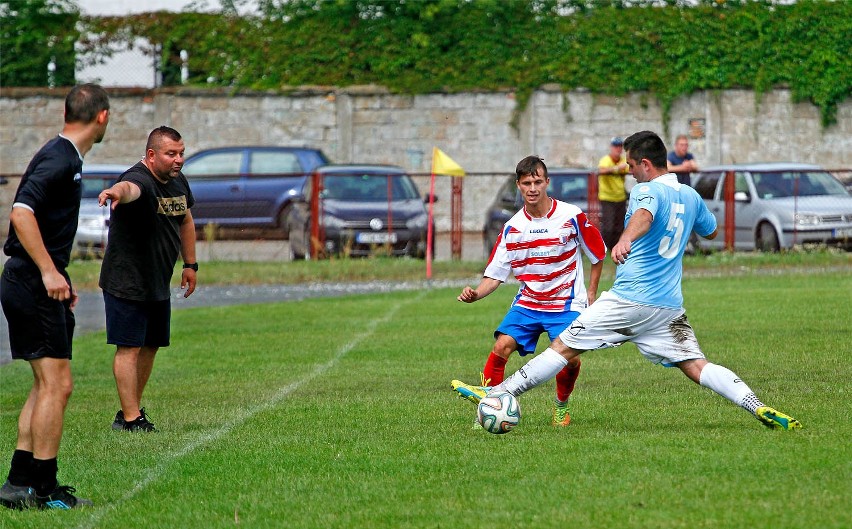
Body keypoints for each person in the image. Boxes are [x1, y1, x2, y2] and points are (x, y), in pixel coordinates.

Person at [459, 131, 801, 431]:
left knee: (563, 346)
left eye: (631, 165)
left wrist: (626, 239)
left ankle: (500, 393)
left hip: (629, 299)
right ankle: (755, 404)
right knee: (697, 365)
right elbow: (710, 229)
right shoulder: (691, 197)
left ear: (647, 165)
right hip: (667, 308)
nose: (628, 170)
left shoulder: (647, 191)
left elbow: (645, 212)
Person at [0, 84, 110, 510]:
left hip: (32, 280)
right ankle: (44, 491)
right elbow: (21, 213)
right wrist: (48, 271)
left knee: (46, 384)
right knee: (58, 385)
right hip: (30, 281)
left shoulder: (65, 156)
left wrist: (58, 273)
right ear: (101, 116)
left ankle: (17, 484)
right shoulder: (60, 157)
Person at [451, 156, 606, 427]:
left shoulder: (571, 216)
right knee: (501, 346)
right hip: (529, 303)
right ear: (518, 186)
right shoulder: (512, 228)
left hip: (566, 303)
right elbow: (494, 276)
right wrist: (476, 293)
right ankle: (487, 409)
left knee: (568, 359)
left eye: (537, 182)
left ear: (547, 182)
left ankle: (561, 406)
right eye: (526, 183)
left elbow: (598, 253)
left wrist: (591, 292)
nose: (532, 188)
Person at [98, 126, 198, 433]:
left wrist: (190, 264)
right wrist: (115, 192)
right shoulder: (140, 178)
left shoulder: (177, 181)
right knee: (128, 347)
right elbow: (129, 189)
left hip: (157, 279)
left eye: (181, 153)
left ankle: (129, 411)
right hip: (126, 281)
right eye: (171, 154)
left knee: (151, 345)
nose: (178, 159)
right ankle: (131, 419)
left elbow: (186, 220)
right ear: (152, 155)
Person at [597, 136, 629, 251]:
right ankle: (603, 249)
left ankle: (615, 249)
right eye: (616, 146)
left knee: (619, 226)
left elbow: (630, 169)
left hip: (620, 197)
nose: (618, 149)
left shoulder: (623, 160)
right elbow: (601, 170)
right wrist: (616, 168)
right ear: (611, 147)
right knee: (608, 226)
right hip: (607, 198)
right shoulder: (605, 160)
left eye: (620, 146)